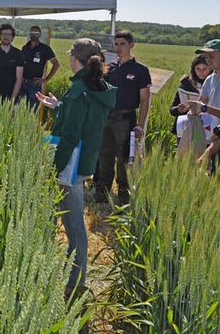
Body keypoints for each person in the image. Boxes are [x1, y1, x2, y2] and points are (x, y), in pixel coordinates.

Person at [37, 38, 117, 300]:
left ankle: (76, 283)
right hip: (82, 161)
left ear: (74, 59)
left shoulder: (79, 90)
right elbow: (86, 116)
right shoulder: (97, 87)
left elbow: (70, 135)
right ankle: (74, 277)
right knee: (72, 222)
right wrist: (59, 105)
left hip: (68, 165)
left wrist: (53, 167)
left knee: (74, 227)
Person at [94, 30, 151, 205]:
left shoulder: (140, 70)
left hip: (126, 120)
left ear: (131, 45)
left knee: (124, 159)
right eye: (116, 44)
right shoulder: (109, 68)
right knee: (105, 156)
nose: (119, 48)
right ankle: (102, 196)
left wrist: (140, 126)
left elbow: (145, 100)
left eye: (123, 44)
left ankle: (123, 199)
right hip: (107, 118)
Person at [169, 54, 210, 137]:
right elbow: (172, 110)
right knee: (184, 150)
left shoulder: (215, 84)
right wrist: (179, 109)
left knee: (201, 149)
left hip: (207, 127)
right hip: (185, 127)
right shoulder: (186, 84)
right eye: (198, 69)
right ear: (193, 69)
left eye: (204, 69)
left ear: (211, 69)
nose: (201, 72)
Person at [21, 26, 60, 108]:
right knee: (20, 111)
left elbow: (56, 64)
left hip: (34, 85)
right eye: (32, 32)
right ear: (29, 34)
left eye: (36, 33)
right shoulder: (25, 48)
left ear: (40, 35)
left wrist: (45, 80)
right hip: (22, 83)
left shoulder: (45, 49)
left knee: (32, 111)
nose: (34, 34)